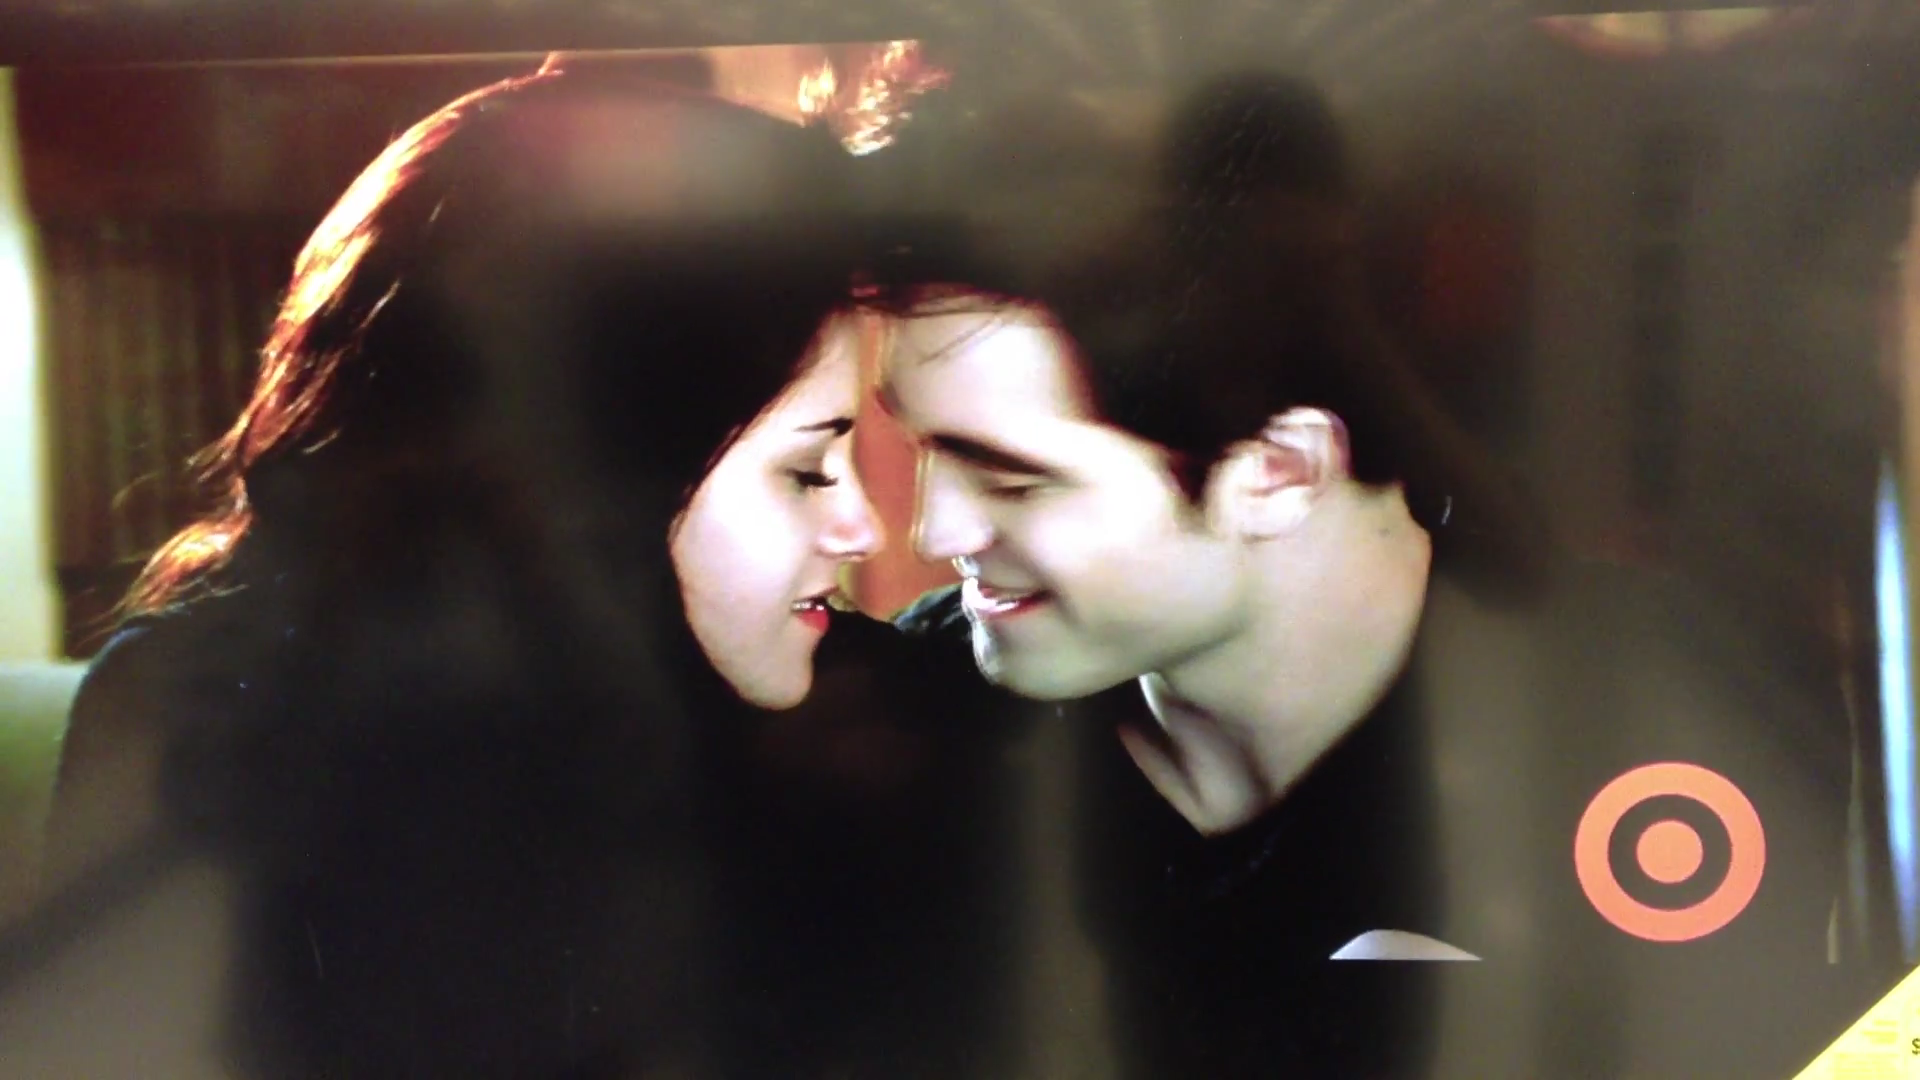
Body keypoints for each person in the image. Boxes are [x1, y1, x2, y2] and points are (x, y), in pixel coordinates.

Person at [36, 58, 1021, 1080]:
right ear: (604, 477)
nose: (867, 529)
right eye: (806, 470)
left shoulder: (866, 723)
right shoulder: (197, 722)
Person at [875, 71, 1863, 1077]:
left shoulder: (1653, 723)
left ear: (1278, 473)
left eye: (1012, 479)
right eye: (917, 449)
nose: (928, 529)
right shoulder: (916, 718)